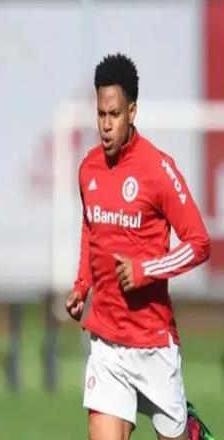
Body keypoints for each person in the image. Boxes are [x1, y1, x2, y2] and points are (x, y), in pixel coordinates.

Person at [66, 53, 215, 440]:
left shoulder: (157, 169)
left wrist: (145, 269)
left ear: (132, 111)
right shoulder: (88, 169)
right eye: (101, 114)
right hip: (107, 345)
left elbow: (199, 243)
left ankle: (189, 430)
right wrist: (82, 284)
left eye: (114, 114)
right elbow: (90, 226)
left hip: (152, 344)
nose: (106, 125)